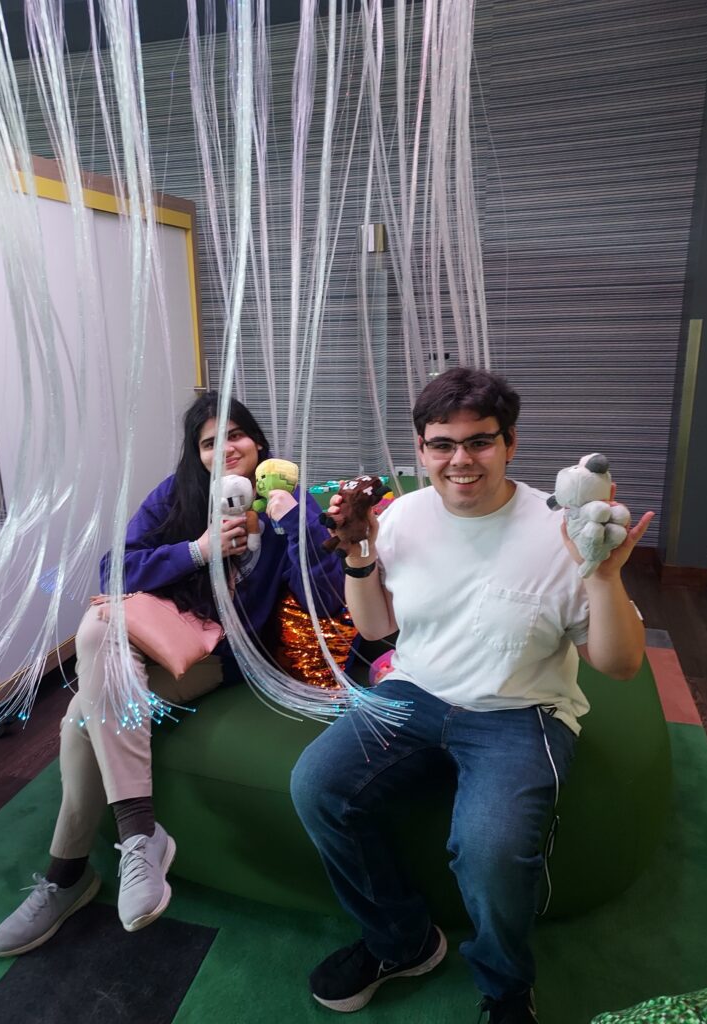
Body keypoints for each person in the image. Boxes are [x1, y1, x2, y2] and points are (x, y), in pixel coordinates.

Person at [290, 367, 653, 1024]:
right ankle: (401, 941)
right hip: (414, 691)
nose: (460, 461)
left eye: (479, 442)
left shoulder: (561, 530)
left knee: (488, 846)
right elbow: (377, 627)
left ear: (510, 444)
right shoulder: (404, 515)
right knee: (316, 782)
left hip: (522, 713)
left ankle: (506, 986)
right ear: (422, 448)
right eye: (441, 444)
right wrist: (359, 559)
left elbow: (621, 665)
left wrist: (604, 577)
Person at [0, 391, 344, 957]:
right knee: (97, 627)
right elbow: (115, 567)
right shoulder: (176, 496)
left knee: (82, 718)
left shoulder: (290, 506)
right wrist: (198, 550)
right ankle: (137, 835)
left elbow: (328, 598)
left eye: (236, 435)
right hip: (159, 631)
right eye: (209, 442)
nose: (225, 449)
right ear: (196, 455)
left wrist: (293, 521)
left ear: (259, 443)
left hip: (217, 657)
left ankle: (67, 875)